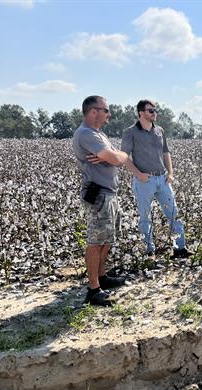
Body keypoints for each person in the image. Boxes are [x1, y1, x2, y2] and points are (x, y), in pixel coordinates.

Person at [72, 95, 129, 306]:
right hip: (98, 194)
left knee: (106, 238)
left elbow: (121, 157)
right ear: (93, 111)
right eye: (106, 110)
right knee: (96, 241)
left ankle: (102, 277)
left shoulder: (99, 134)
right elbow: (116, 159)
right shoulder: (86, 134)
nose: (109, 114)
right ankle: (93, 289)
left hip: (108, 193)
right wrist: (114, 156)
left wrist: (116, 155)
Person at [121, 99, 193, 259]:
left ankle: (180, 248)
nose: (155, 113)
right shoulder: (130, 132)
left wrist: (171, 173)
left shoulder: (159, 130)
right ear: (141, 113)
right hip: (144, 181)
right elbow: (124, 157)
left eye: (155, 110)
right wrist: (138, 174)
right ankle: (149, 251)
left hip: (163, 179)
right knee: (145, 216)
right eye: (150, 110)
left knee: (173, 212)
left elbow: (166, 152)